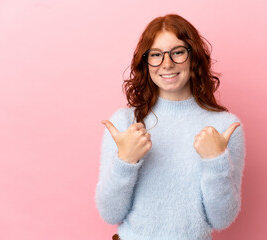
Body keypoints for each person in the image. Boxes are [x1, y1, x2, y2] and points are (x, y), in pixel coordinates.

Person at [95, 14, 246, 240]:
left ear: (193, 57)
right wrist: (125, 161)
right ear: (145, 62)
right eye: (156, 55)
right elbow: (109, 214)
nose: (167, 64)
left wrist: (216, 162)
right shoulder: (124, 123)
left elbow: (221, 220)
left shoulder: (223, 127)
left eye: (177, 52)